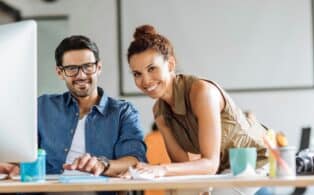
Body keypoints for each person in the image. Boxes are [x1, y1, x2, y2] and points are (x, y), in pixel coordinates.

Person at [125, 24, 268, 194]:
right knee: (178, 191)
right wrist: (150, 168)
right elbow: (181, 167)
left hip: (251, 162)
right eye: (137, 74)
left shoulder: (201, 92)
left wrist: (161, 169)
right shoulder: (160, 111)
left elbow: (210, 163)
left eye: (151, 69)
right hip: (222, 168)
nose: (146, 80)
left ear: (170, 64)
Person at [1, 36, 146, 194]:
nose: (81, 75)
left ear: (99, 67)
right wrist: (10, 164)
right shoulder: (42, 106)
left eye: (88, 66)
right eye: (71, 69)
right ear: (60, 72)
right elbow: (21, 152)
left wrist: (102, 164)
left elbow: (135, 160)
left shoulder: (122, 112)